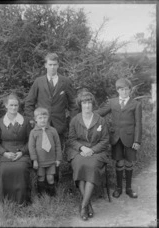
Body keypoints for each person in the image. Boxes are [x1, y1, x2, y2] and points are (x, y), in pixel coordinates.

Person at [24, 53, 78, 182]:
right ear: (45, 65)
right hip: (42, 124)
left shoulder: (65, 82)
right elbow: (29, 103)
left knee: (56, 152)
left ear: (58, 65)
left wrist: (72, 121)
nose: (52, 67)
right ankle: (41, 182)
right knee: (41, 152)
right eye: (50, 65)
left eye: (55, 65)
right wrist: (32, 120)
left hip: (59, 124)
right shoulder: (39, 81)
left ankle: (55, 181)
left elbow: (73, 104)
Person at [66, 91, 110, 221]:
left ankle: (84, 205)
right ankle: (88, 204)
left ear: (93, 104)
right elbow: (71, 139)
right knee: (79, 165)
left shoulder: (100, 120)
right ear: (80, 105)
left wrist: (92, 149)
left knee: (91, 166)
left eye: (89, 102)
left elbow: (105, 140)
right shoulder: (75, 120)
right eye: (84, 103)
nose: (87, 106)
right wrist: (82, 147)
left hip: (97, 151)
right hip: (79, 150)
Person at [96, 78, 142, 199]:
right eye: (121, 89)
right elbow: (101, 112)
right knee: (119, 161)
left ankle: (128, 188)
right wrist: (87, 112)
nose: (124, 92)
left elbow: (138, 124)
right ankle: (118, 188)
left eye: (127, 89)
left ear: (130, 90)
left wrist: (137, 140)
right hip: (116, 137)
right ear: (117, 90)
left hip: (130, 138)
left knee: (129, 162)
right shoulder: (112, 102)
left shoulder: (136, 104)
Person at [0, 93, 32, 205]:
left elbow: (30, 141)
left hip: (22, 153)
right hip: (4, 154)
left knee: (21, 168)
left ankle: (22, 201)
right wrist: (5, 153)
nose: (14, 108)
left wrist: (22, 152)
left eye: (16, 105)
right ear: (6, 106)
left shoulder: (26, 121)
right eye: (11, 105)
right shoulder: (0, 122)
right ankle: (3, 201)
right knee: (4, 170)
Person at [28, 107, 62, 196]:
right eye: (40, 118)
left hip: (51, 160)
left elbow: (58, 145)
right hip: (40, 161)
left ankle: (52, 195)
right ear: (35, 119)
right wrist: (34, 160)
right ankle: (41, 195)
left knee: (50, 178)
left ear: (48, 118)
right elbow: (31, 147)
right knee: (41, 177)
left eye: (45, 117)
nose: (43, 120)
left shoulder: (53, 130)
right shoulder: (33, 132)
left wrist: (58, 158)